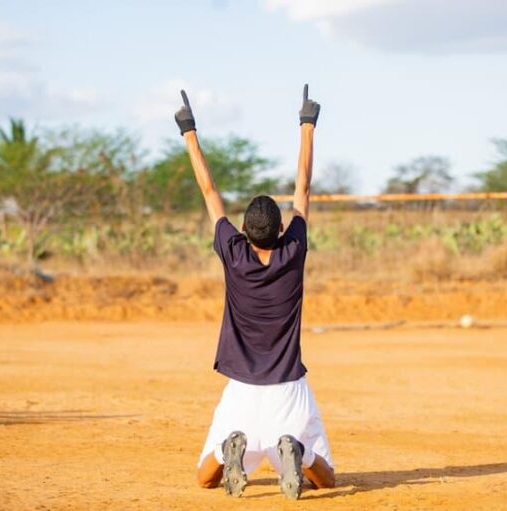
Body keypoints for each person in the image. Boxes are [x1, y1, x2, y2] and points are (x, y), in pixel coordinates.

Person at [175, 85, 335, 500]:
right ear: (281, 231)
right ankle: (298, 451)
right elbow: (303, 188)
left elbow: (209, 192)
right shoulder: (293, 251)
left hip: (241, 391)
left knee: (203, 478)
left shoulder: (233, 253)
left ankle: (230, 447)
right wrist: (307, 125)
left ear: (243, 232)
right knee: (327, 478)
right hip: (288, 388)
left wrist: (189, 129)